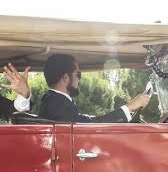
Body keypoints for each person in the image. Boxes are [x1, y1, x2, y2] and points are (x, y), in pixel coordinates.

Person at [10, 53, 149, 123]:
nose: (79, 80)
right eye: (78, 74)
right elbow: (90, 126)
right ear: (65, 78)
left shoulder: (52, 100)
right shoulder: (57, 104)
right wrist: (129, 107)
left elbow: (85, 120)